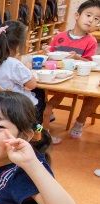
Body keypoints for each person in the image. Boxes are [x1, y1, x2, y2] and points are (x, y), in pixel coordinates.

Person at [43, 0, 100, 140]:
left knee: (95, 96)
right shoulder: (60, 36)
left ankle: (79, 122)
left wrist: (79, 58)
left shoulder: (91, 41)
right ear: (77, 15)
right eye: (88, 15)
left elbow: (90, 63)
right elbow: (51, 55)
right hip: (60, 77)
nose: (91, 20)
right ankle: (44, 126)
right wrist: (47, 51)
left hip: (79, 79)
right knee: (44, 100)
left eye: (97, 19)